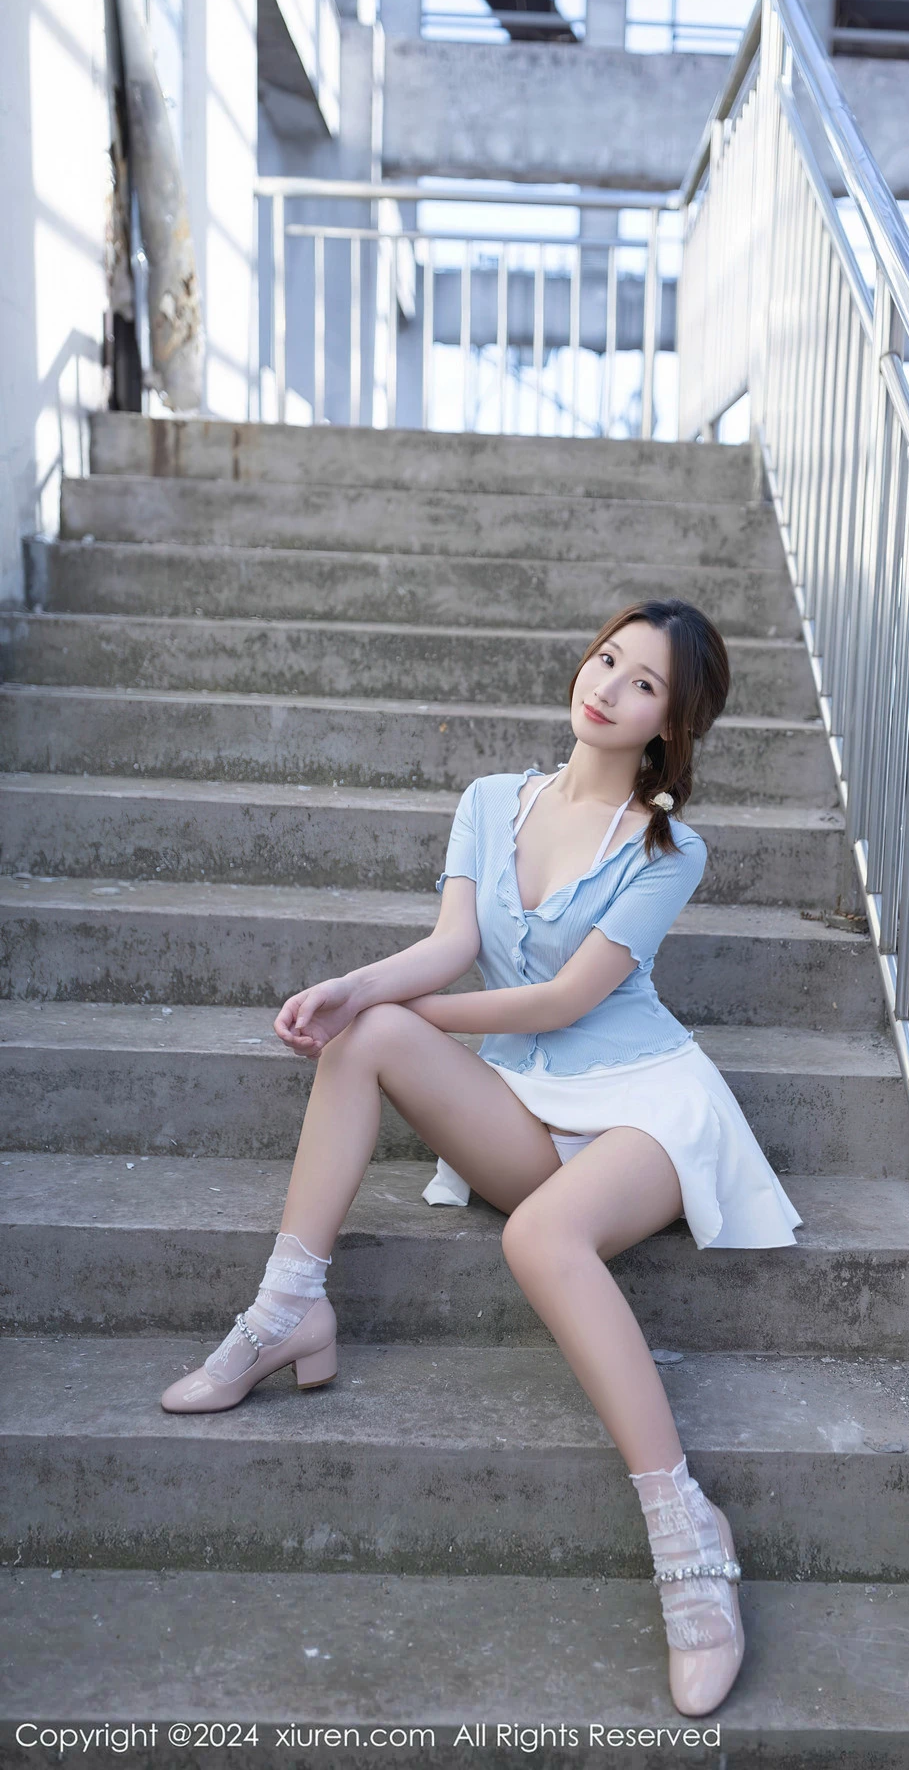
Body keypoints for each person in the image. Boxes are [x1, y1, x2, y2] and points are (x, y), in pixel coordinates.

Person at [160, 596, 804, 1716]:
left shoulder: (668, 848)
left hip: (645, 1107)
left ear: (670, 723)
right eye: (607, 658)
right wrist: (357, 987)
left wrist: (409, 1013)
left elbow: (562, 1000)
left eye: (643, 682)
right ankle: (288, 1310)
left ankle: (685, 1528)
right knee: (364, 1034)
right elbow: (454, 945)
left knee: (540, 1236)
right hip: (527, 1103)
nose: (606, 685)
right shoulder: (490, 799)